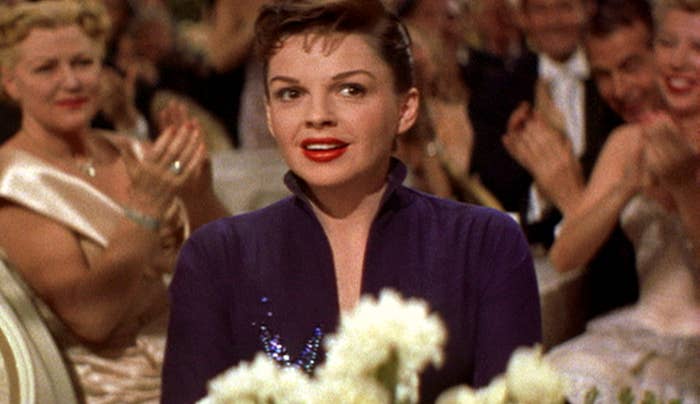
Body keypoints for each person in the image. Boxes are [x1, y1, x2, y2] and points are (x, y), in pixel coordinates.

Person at [161, 1, 542, 403]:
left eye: (350, 90)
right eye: (291, 93)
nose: (318, 116)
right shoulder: (215, 257)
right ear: (270, 116)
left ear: (405, 108)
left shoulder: (485, 243)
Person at [0, 1, 228, 402]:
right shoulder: (14, 182)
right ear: (11, 83)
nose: (71, 81)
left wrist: (198, 195)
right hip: (125, 391)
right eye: (46, 68)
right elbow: (92, 319)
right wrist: (144, 209)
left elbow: (228, 268)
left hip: (206, 359)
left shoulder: (133, 151)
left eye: (83, 63)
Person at [546, 0, 700, 401]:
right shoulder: (627, 140)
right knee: (558, 379)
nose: (678, 61)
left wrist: (685, 188)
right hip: (636, 330)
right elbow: (565, 256)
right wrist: (625, 186)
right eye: (669, 44)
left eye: (696, 48)